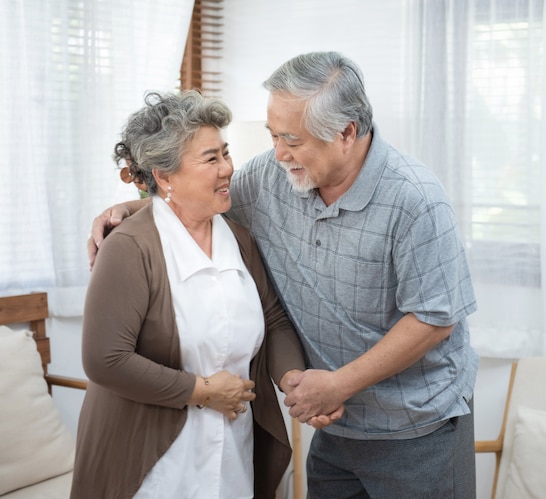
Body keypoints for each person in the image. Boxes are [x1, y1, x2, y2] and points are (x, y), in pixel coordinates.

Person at [89, 52, 480, 498]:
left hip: (416, 428)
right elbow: (198, 197)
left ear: (346, 133)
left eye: (292, 139)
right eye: (274, 136)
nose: (278, 153)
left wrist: (337, 384)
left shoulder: (415, 201)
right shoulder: (274, 177)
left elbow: (435, 318)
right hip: (336, 428)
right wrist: (126, 209)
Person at [72, 90, 311, 499]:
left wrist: (293, 379)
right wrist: (202, 391)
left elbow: (273, 321)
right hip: (154, 462)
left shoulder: (238, 238)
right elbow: (105, 360)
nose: (228, 168)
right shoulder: (129, 247)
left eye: (226, 152)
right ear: (165, 176)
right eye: (211, 158)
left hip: (233, 451)